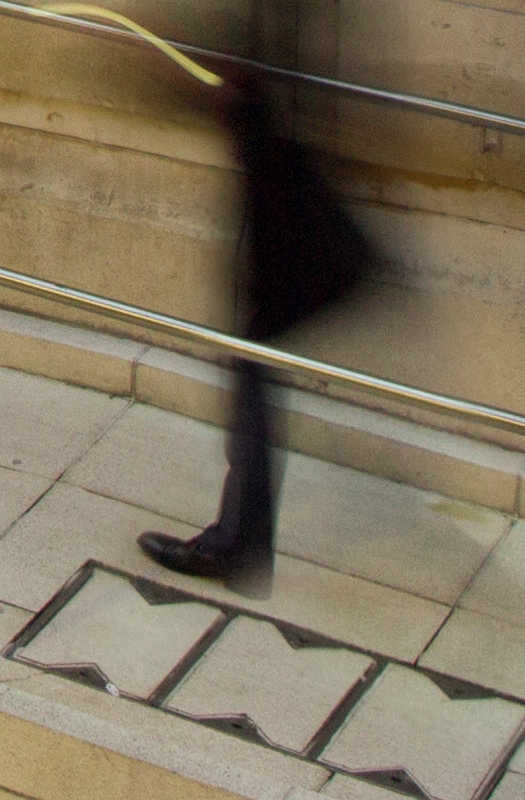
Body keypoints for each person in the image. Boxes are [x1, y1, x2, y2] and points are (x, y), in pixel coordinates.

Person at [138, 66, 372, 592]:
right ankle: (242, 544)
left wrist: (178, 77)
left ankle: (238, 547)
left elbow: (258, 106)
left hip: (294, 232)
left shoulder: (272, 46)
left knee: (252, 366)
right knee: (253, 369)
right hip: (291, 223)